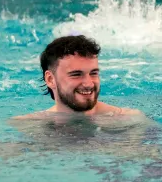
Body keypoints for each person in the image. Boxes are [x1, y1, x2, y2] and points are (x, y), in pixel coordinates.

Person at [15, 35, 144, 120]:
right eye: (76, 75)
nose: (88, 84)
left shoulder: (128, 119)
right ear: (50, 79)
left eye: (93, 73)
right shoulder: (30, 125)